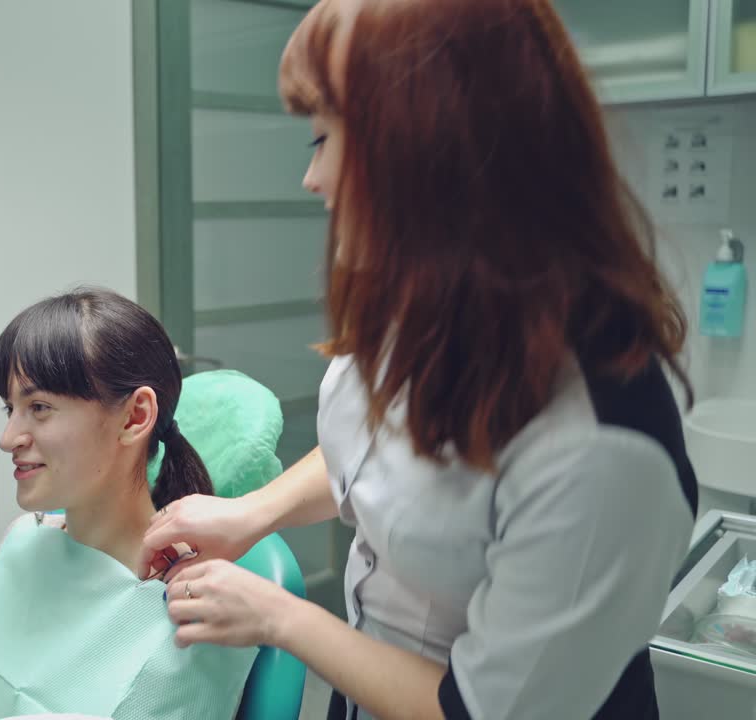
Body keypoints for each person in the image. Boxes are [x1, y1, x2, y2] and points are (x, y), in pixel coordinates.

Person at [139, 1, 698, 718]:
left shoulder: (602, 448)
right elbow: (369, 457)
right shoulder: (427, 312)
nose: (314, 178)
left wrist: (278, 616)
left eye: (325, 138)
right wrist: (251, 514)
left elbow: (478, 710)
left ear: (429, 150)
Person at [0, 288, 257, 720]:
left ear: (134, 417)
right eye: (9, 409)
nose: (7, 439)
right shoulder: (20, 544)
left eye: (39, 407)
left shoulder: (192, 618)